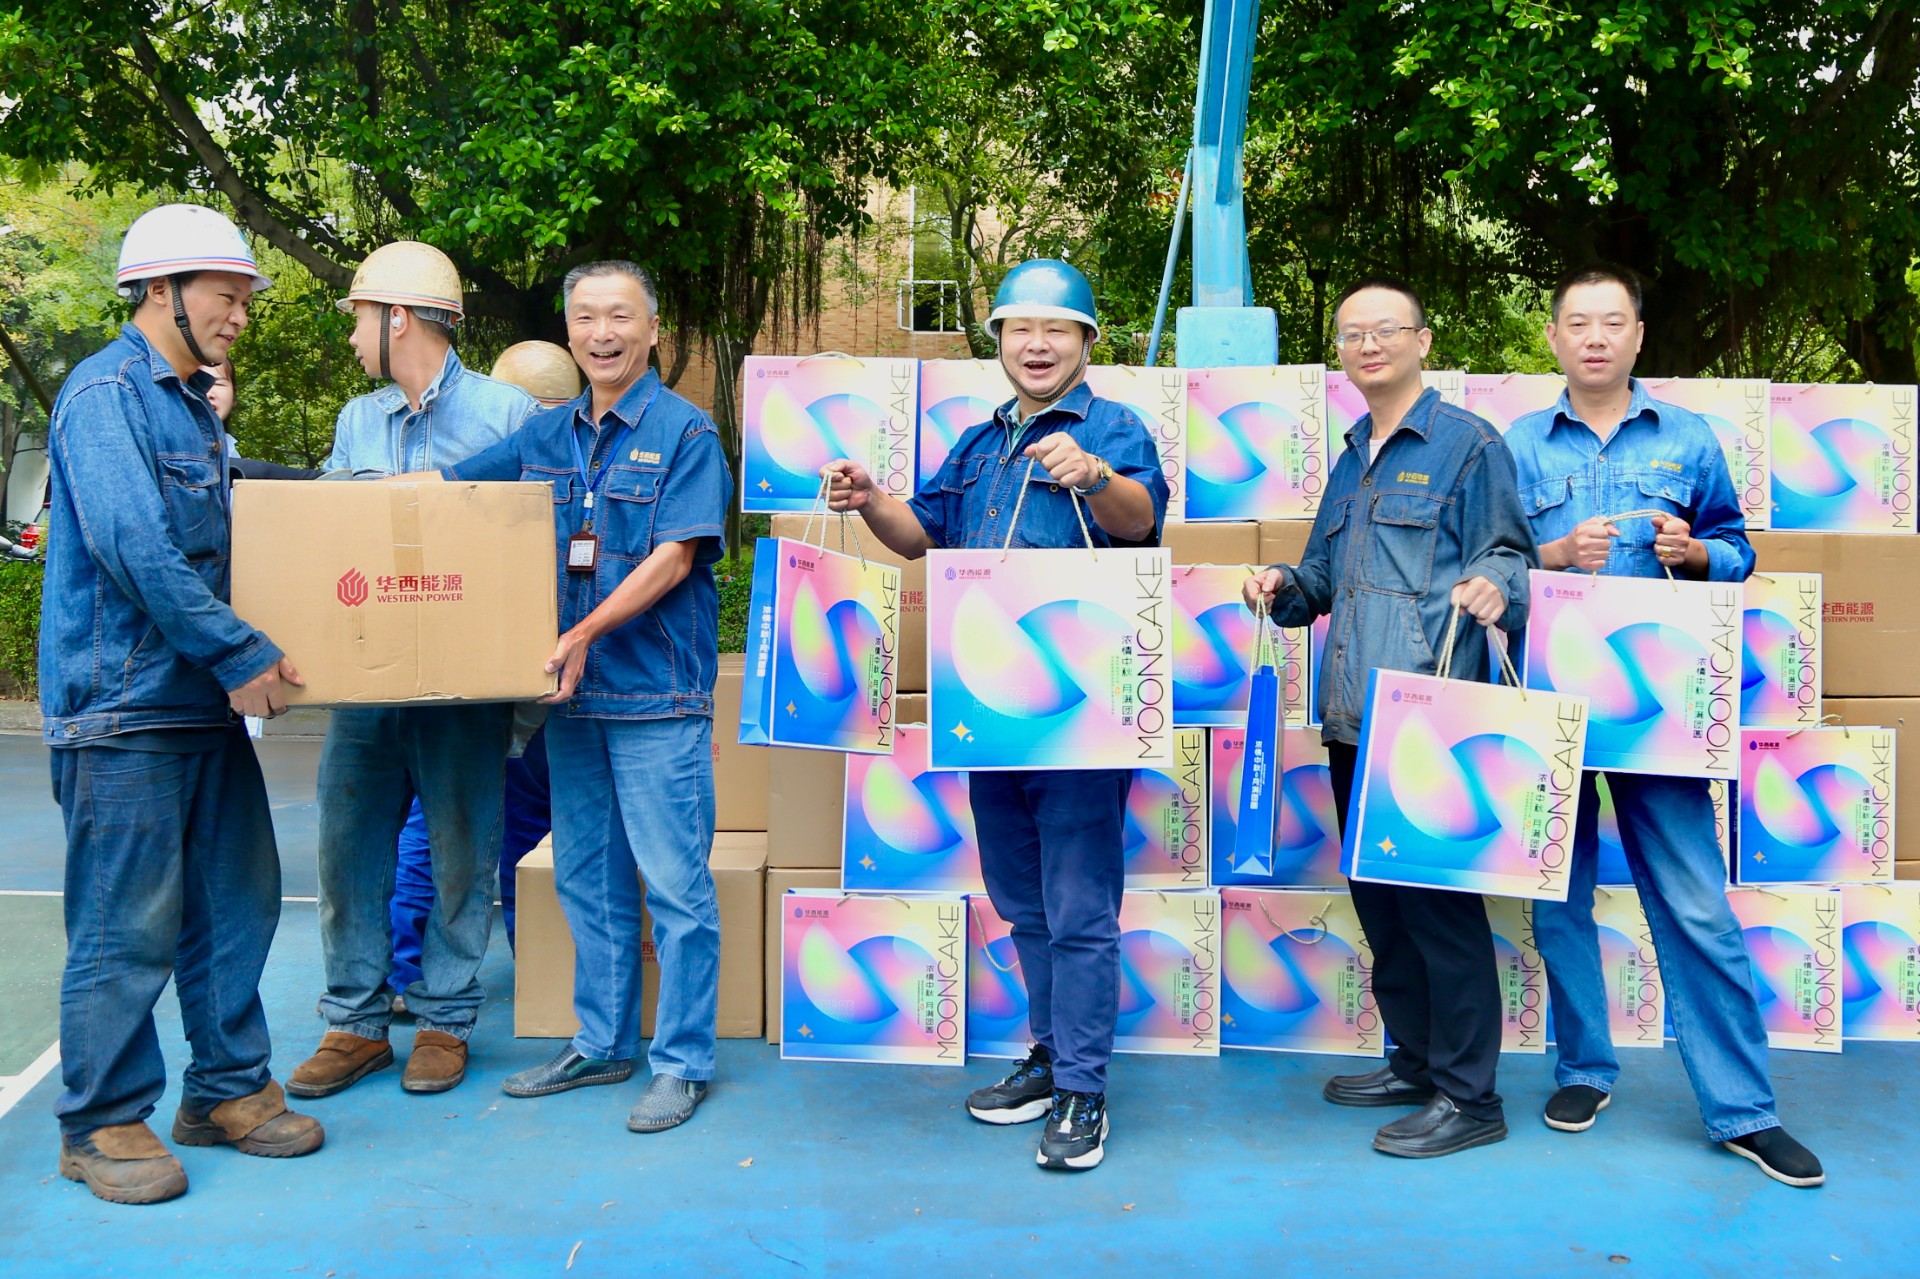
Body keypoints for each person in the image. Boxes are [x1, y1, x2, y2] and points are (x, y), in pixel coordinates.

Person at [826, 259, 1170, 1172]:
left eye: (1057, 329)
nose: (1037, 344)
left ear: (1087, 341)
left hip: (1078, 714)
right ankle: (1052, 1055)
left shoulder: (1113, 429)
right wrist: (870, 499)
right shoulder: (980, 444)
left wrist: (1093, 475)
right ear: (1001, 342)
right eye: (1021, 328)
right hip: (987, 713)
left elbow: (1140, 520)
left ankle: (1086, 1091)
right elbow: (921, 533)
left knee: (1080, 907)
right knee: (1023, 902)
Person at [1506, 264, 1825, 1188]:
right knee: (1557, 897)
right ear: (1554, 337)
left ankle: (1746, 1110)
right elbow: (1488, 562)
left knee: (1695, 903)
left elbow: (1738, 547)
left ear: (1639, 335)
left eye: (1613, 321)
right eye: (1577, 322)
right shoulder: (1519, 445)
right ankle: (1583, 1068)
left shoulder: (1688, 437)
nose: (1595, 337)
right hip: (1551, 702)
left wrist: (1698, 553)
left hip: (1662, 708)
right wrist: (1552, 551)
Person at [39, 203, 324, 1204]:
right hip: (123, 709)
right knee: (127, 924)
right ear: (159, 290)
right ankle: (100, 1120)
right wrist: (240, 651)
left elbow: (242, 513)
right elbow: (136, 547)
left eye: (245, 299)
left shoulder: (194, 407)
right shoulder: (103, 394)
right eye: (226, 296)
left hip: (197, 705)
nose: (240, 314)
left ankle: (226, 1089)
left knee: (238, 897)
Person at [1242, 277, 1536, 1159]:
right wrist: (1281, 586)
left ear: (1422, 340)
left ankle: (1471, 1097)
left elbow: (1510, 556)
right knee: (1383, 910)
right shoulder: (1351, 459)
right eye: (1352, 334)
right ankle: (1414, 1061)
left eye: (1385, 330)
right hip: (1351, 721)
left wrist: (1496, 583)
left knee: (1441, 917)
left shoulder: (1468, 446)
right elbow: (1319, 583)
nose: (1368, 345)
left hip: (1430, 726)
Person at [436, 261, 732, 1133]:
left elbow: (673, 557)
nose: (603, 333)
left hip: (656, 697)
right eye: (586, 317)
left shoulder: (687, 433)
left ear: (653, 329)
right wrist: (345, 501)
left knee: (675, 888)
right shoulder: (544, 435)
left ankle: (682, 1062)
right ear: (568, 333)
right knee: (586, 879)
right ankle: (601, 1043)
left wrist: (581, 633)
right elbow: (451, 496)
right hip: (572, 701)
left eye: (621, 316)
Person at [287, 242, 537, 1100]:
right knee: (348, 850)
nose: (353, 335)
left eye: (359, 317)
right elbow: (329, 538)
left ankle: (445, 1019)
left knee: (464, 855)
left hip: (465, 688)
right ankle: (355, 1024)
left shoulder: (506, 412)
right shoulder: (358, 421)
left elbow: (533, 539)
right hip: (365, 681)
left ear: (397, 317)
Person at [385, 342, 577, 1007]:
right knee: (531, 827)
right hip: (550, 679)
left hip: (470, 675)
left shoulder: (482, 470)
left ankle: (406, 970)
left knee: (434, 825)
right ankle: (539, 970)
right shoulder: (573, 462)